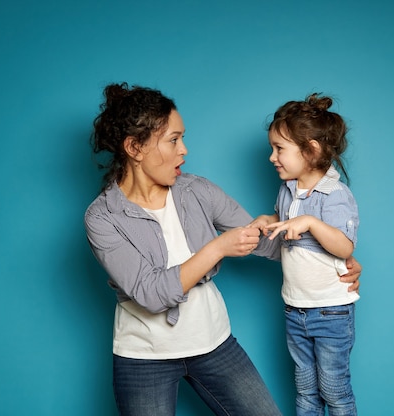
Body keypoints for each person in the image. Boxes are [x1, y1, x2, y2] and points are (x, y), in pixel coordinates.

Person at [84, 82, 362, 416]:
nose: (184, 150)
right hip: (144, 357)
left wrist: (333, 261)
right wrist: (218, 247)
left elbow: (268, 242)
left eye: (182, 137)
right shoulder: (102, 217)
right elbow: (152, 294)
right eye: (173, 140)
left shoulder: (197, 190)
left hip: (214, 344)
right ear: (135, 147)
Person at [252, 93, 360, 416]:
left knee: (334, 389)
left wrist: (311, 222)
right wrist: (267, 221)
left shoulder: (335, 194)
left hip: (331, 312)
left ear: (311, 150)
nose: (272, 157)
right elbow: (286, 225)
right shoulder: (287, 189)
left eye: (279, 149)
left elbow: (345, 246)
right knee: (305, 390)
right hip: (295, 309)